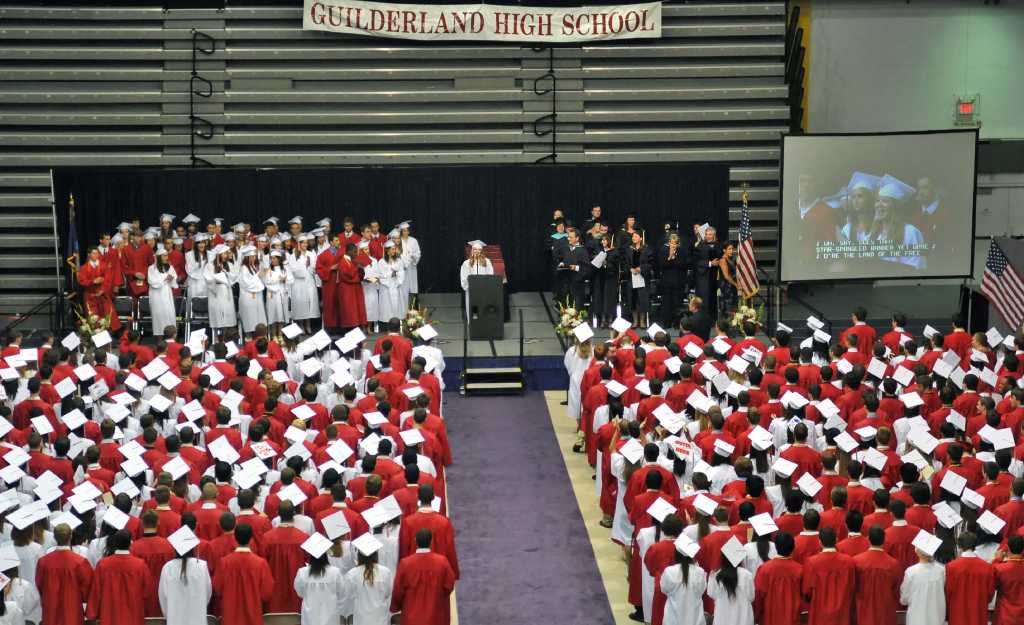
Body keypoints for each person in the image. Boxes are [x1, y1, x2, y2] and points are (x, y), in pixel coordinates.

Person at [211, 523, 274, 625]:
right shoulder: (261, 564)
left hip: (230, 617)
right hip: (253, 617)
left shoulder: (224, 563)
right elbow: (266, 593)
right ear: (251, 538)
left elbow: (217, 588)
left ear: (235, 538)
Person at [390, 528, 456, 625]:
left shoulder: (405, 564)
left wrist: (396, 606)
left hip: (411, 618)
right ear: (431, 541)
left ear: (415, 541)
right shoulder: (442, 562)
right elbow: (449, 585)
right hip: (435, 616)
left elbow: (398, 591)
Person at [86, 529, 152, 625]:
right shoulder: (140, 565)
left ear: (115, 543)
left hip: (110, 616)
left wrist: (92, 614)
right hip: (133, 616)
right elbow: (147, 592)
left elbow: (96, 592)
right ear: (130, 543)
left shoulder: (103, 565)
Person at [35, 523, 93, 625]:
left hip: (51, 608)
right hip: (72, 608)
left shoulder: (43, 562)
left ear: (54, 537)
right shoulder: (80, 562)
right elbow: (88, 587)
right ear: (71, 536)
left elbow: (40, 585)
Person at [158, 526, 213, 625]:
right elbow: (207, 593)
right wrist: (200, 607)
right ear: (192, 548)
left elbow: (163, 596)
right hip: (197, 618)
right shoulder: (201, 566)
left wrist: (169, 615)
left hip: (175, 619)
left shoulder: (168, 568)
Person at [262, 500, 309, 613]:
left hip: (275, 592)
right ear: (294, 513)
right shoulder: (304, 538)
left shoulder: (267, 538)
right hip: (296, 593)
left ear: (278, 514)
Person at [802, 527, 856, 625]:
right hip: (842, 612)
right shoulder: (848, 562)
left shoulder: (812, 562)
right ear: (836, 540)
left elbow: (807, 591)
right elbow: (852, 586)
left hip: (819, 613)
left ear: (820, 542)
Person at [871, 174, 926, 270]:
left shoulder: (910, 232)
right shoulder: (874, 234)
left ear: (896, 207)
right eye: (877, 200)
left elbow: (916, 266)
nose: (879, 205)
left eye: (885, 201)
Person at [852, 526, 902, 625]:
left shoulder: (856, 561)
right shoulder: (893, 564)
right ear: (884, 540)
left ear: (868, 539)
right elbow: (897, 589)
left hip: (864, 611)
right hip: (885, 611)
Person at [944, 532, 996, 625]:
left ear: (959, 546)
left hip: (957, 613)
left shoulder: (951, 567)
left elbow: (948, 592)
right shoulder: (987, 567)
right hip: (978, 612)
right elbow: (990, 594)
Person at [293, 533, 345, 625]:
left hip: (310, 617)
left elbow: (300, 593)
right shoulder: (335, 572)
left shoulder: (302, 572)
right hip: (331, 617)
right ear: (325, 554)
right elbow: (342, 593)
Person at [341, 534, 394, 625]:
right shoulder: (386, 572)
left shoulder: (352, 574)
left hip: (361, 619)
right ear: (376, 554)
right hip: (380, 618)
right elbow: (388, 593)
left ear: (359, 555)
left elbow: (348, 596)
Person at [752, 532, 802, 625]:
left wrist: (756, 615)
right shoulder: (799, 570)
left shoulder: (764, 569)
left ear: (775, 547)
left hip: (771, 616)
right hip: (792, 617)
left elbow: (758, 595)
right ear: (793, 548)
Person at [899, 531, 945, 625]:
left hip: (916, 618)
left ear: (918, 552)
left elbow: (904, 598)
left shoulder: (911, 572)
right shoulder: (942, 570)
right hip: (936, 618)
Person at [658, 537, 706, 625]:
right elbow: (702, 590)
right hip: (694, 617)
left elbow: (664, 589)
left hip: (673, 617)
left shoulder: (669, 571)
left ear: (676, 554)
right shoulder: (700, 572)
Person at [706, 539, 755, 625]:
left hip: (722, 618)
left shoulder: (716, 575)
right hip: (743, 618)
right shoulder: (746, 575)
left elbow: (711, 594)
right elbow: (751, 597)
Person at [79, 246, 121, 331]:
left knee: (108, 317)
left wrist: (102, 290)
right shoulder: (84, 268)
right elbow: (82, 281)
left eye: (97, 253)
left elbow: (108, 280)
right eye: (94, 253)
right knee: (93, 319)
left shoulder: (104, 266)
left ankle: (110, 335)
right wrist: (93, 281)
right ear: (89, 255)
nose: (96, 255)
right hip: (90, 297)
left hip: (103, 295)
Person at [204, 244, 238, 340]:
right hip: (216, 293)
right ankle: (216, 339)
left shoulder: (229, 265)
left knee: (227, 317)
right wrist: (217, 276)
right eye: (224, 253)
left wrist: (225, 272)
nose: (226, 255)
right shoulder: (210, 265)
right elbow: (208, 279)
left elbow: (234, 277)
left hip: (226, 292)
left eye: (226, 253)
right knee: (218, 317)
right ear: (218, 255)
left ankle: (227, 338)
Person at [290, 234, 320, 334]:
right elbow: (293, 269)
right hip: (299, 283)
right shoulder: (293, 255)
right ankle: (301, 326)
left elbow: (314, 267)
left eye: (306, 243)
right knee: (301, 305)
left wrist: (309, 267)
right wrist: (304, 268)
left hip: (309, 282)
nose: (305, 245)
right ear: (299, 244)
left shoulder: (311, 254)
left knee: (309, 304)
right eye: (303, 243)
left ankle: (308, 325)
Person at [657, 232, 688, 327]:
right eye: (672, 243)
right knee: (666, 303)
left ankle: (677, 322)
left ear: (678, 243)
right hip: (666, 281)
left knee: (677, 303)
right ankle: (667, 322)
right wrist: (670, 257)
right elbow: (661, 265)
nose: (673, 245)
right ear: (669, 242)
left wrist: (674, 258)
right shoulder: (663, 250)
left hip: (679, 281)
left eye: (675, 243)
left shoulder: (682, 251)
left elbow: (684, 265)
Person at [237, 246, 268, 338]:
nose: (254, 258)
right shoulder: (244, 268)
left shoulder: (253, 267)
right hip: (248, 298)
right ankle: (248, 338)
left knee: (258, 318)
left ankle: (259, 336)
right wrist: (258, 276)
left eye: (254, 256)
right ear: (247, 258)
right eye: (252, 257)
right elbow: (247, 283)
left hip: (256, 298)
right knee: (249, 318)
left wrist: (261, 275)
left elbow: (259, 278)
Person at [316, 234, 345, 330]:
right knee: (330, 304)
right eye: (336, 240)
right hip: (329, 284)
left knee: (341, 304)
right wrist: (330, 268)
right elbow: (318, 269)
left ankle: (341, 326)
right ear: (331, 242)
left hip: (341, 283)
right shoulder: (323, 255)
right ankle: (331, 327)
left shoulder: (343, 253)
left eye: (339, 240)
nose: (338, 242)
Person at [624, 231, 653, 328]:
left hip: (642, 278)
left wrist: (641, 268)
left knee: (642, 300)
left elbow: (651, 263)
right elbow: (624, 263)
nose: (634, 238)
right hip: (631, 278)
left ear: (641, 238)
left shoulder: (647, 249)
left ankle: (642, 321)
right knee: (633, 300)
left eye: (636, 236)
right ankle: (635, 321)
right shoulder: (628, 249)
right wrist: (630, 269)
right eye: (633, 236)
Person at [147, 246, 178, 336]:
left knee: (169, 315)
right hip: (156, 296)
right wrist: (165, 278)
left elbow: (174, 282)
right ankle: (159, 339)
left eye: (167, 255)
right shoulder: (151, 268)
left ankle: (171, 337)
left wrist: (171, 279)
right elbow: (152, 282)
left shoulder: (170, 267)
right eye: (164, 256)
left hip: (167, 295)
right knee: (159, 318)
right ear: (159, 257)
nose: (166, 258)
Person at [591, 233, 620, 327]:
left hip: (610, 278)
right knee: (601, 298)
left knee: (610, 299)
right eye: (602, 240)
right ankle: (602, 319)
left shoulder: (615, 252)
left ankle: (610, 319)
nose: (603, 241)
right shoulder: (599, 251)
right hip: (600, 278)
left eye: (605, 240)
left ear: (609, 241)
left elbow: (616, 266)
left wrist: (606, 264)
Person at [559, 227, 591, 311]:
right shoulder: (566, 249)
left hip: (577, 284)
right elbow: (563, 260)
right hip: (566, 283)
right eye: (568, 237)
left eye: (571, 237)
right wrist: (562, 263)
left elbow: (587, 268)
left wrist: (576, 267)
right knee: (566, 306)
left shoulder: (583, 250)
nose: (568, 239)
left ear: (577, 238)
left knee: (577, 307)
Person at [263, 250, 293, 340]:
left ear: (279, 259)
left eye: (274, 258)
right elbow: (266, 282)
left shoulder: (285, 269)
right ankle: (273, 335)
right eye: (271, 258)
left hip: (282, 295)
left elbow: (291, 279)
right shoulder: (269, 270)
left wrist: (285, 280)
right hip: (272, 295)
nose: (273, 260)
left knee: (281, 315)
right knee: (273, 315)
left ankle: (280, 334)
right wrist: (278, 281)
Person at [994, 535, 1024, 625]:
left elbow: (990, 583)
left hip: (1005, 615)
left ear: (1007, 548)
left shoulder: (1000, 568)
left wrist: (997, 560)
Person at [339, 243, 368, 330]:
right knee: (350, 310)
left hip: (355, 288)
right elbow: (346, 276)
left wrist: (361, 270)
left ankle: (358, 327)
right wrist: (357, 268)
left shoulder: (352, 261)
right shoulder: (343, 261)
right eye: (355, 252)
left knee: (357, 309)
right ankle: (350, 329)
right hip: (347, 289)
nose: (356, 254)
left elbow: (359, 275)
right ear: (349, 251)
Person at [693, 226, 722, 314]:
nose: (708, 236)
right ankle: (703, 318)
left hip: (715, 277)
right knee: (704, 299)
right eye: (706, 234)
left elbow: (721, 258)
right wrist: (710, 263)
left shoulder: (718, 246)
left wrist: (720, 262)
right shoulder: (700, 246)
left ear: (714, 235)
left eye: (710, 234)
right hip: (704, 278)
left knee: (714, 300)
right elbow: (696, 261)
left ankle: (713, 318)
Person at [459, 241, 494, 314]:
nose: (477, 251)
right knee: (474, 311)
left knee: (483, 309)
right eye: (475, 249)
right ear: (472, 251)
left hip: (484, 290)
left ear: (481, 251)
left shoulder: (486, 261)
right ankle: (474, 320)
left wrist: (487, 285)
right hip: (472, 290)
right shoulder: (466, 263)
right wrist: (468, 285)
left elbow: (490, 274)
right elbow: (463, 277)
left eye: (479, 249)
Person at [379, 241, 407, 323]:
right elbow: (380, 275)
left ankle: (397, 323)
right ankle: (388, 323)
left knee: (397, 306)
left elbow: (402, 272)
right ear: (387, 250)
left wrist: (397, 275)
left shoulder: (398, 261)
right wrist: (390, 274)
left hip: (396, 285)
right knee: (387, 307)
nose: (394, 251)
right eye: (392, 249)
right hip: (386, 288)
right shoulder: (381, 262)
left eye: (395, 249)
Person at [398, 221, 421, 306]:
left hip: (411, 267)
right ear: (401, 231)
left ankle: (414, 310)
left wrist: (413, 257)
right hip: (401, 268)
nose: (406, 232)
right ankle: (402, 309)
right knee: (403, 288)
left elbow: (418, 253)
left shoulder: (413, 241)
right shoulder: (398, 240)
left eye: (407, 230)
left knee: (413, 288)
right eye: (404, 230)